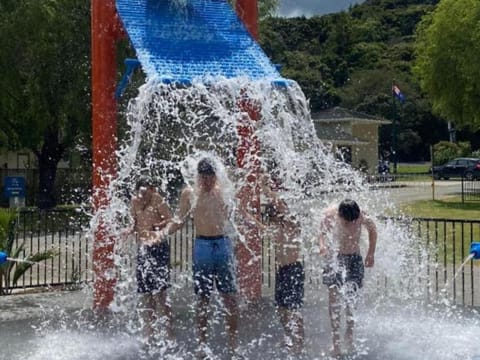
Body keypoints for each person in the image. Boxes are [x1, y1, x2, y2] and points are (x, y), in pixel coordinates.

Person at [160, 158, 239, 359]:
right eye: (203, 178)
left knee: (229, 297)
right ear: (198, 177)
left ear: (215, 176)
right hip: (202, 245)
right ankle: (202, 345)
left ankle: (233, 345)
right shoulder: (189, 194)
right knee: (203, 298)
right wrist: (161, 234)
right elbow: (179, 219)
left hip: (222, 244)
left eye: (210, 178)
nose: (207, 182)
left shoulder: (224, 190)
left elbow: (240, 186)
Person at [319, 199, 377, 358]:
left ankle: (349, 333)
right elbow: (322, 233)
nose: (350, 224)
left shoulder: (361, 216)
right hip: (335, 259)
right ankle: (335, 340)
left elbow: (373, 230)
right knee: (334, 299)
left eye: (353, 221)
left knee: (352, 299)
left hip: (354, 259)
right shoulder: (331, 214)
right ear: (340, 215)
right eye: (346, 221)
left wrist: (371, 253)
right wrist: (322, 245)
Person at [130, 177, 173, 347]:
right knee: (146, 294)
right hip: (143, 249)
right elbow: (134, 224)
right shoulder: (134, 202)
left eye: (146, 192)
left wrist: (158, 226)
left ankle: (170, 333)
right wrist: (128, 230)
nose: (143, 196)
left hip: (158, 248)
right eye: (141, 193)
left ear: (152, 189)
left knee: (160, 294)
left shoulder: (158, 199)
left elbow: (170, 220)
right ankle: (150, 333)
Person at [264, 194, 305, 356]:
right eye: (271, 217)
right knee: (281, 309)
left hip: (294, 270)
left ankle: (299, 342)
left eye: (275, 215)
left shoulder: (292, 225)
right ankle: (288, 336)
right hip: (282, 271)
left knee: (294, 309)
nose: (273, 219)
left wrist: (269, 190)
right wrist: (243, 211)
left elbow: (284, 210)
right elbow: (259, 225)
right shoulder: (276, 229)